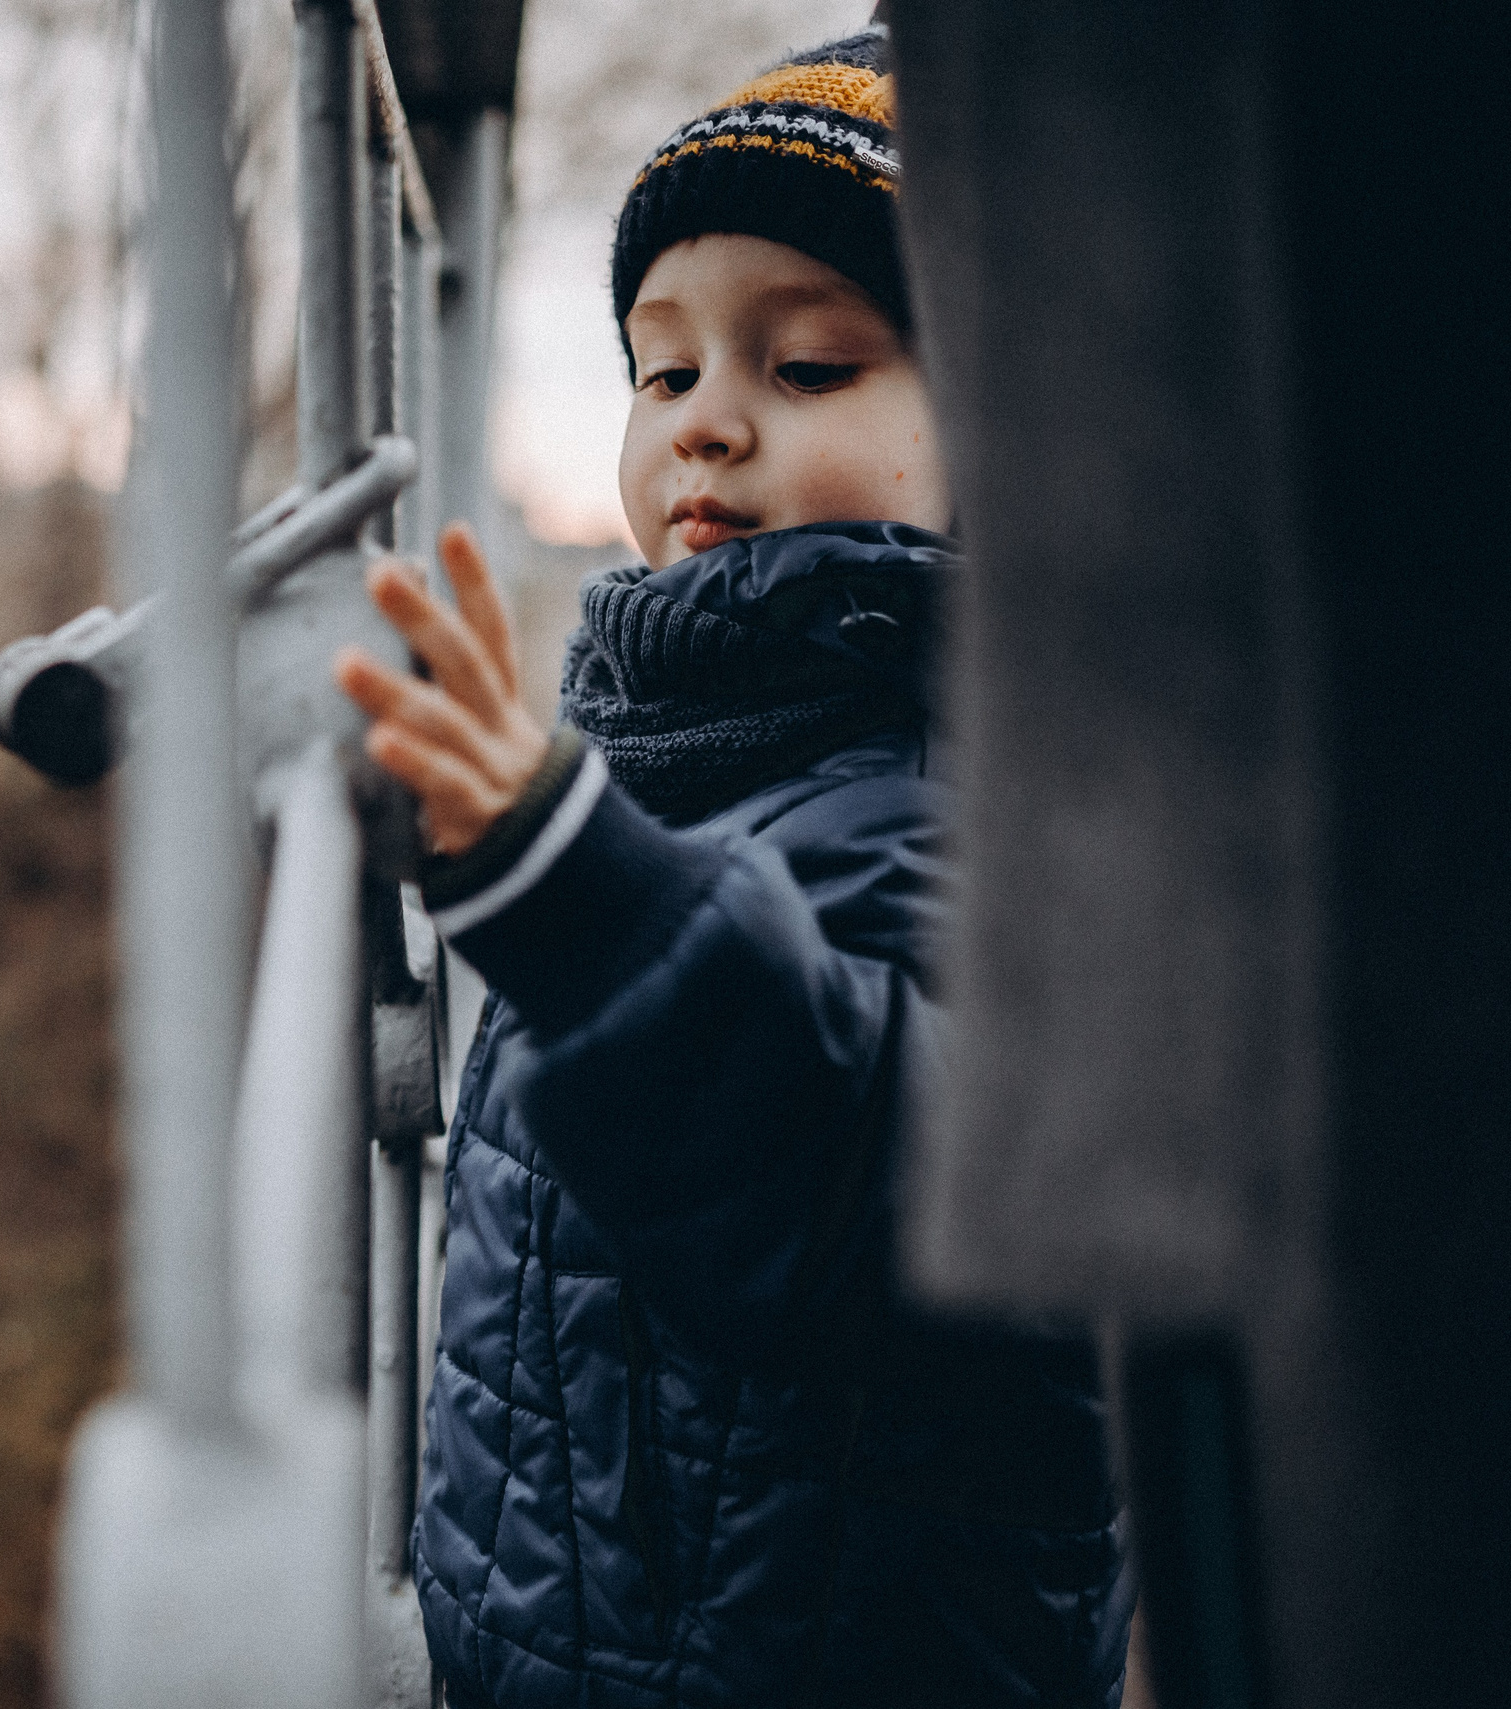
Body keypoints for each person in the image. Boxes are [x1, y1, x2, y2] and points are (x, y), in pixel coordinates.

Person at [333, 26, 1135, 1709]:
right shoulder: (710, 754)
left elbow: (877, 1176)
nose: (705, 426)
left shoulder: (996, 794)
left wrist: (569, 886)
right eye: (665, 370)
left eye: (812, 367)